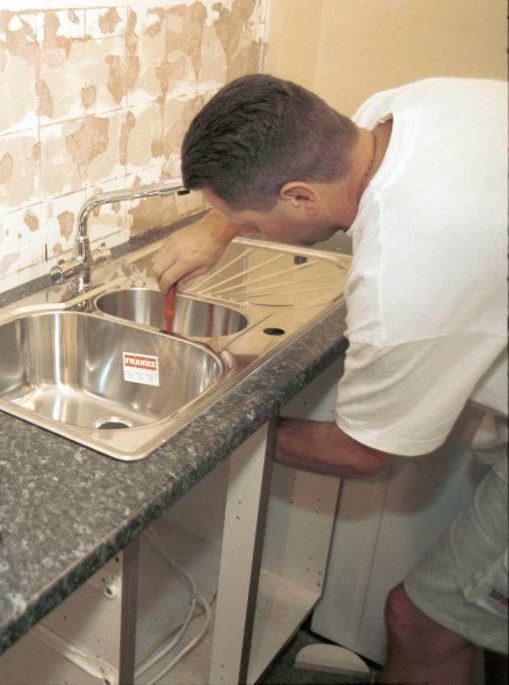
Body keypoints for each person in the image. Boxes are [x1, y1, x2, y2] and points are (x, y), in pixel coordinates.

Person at [151, 75, 508, 683]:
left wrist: (208, 432)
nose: (249, 234)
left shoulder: (402, 271)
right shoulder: (394, 113)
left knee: (423, 624)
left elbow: (361, 452)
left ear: (299, 198)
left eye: (252, 223)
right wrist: (222, 224)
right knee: (470, 617)